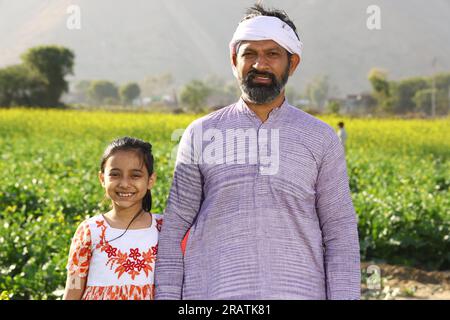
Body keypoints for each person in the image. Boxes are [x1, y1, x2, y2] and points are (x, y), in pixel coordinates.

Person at [155, 4, 360, 300]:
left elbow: (340, 233)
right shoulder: (200, 134)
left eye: (272, 54)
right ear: (234, 60)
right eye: (249, 53)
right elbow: (174, 230)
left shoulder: (321, 138)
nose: (259, 65)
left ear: (293, 63)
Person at [63, 137, 162, 300]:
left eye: (135, 176)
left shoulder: (163, 228)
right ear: (102, 179)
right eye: (115, 174)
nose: (124, 183)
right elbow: (73, 285)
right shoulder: (90, 230)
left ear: (150, 180)